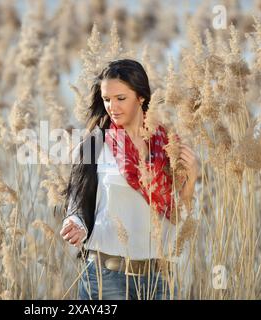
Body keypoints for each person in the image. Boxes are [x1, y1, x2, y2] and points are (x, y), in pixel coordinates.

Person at [60, 59, 199, 300]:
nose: (111, 107)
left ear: (142, 98)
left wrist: (192, 179)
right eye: (106, 99)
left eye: (120, 98)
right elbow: (77, 202)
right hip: (106, 278)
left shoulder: (168, 146)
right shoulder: (94, 145)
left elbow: (180, 218)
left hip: (158, 280)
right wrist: (76, 224)